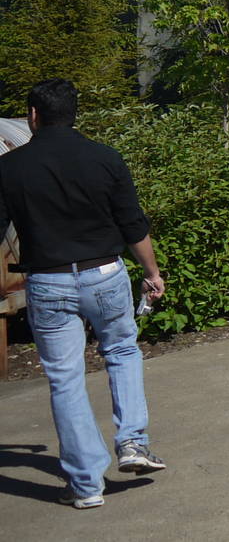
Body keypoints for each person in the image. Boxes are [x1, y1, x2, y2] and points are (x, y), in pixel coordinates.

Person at [0, 79, 167, 509]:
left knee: (65, 379)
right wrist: (151, 272)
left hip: (47, 281)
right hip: (104, 274)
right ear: (74, 114)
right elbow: (133, 224)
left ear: (32, 116)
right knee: (123, 353)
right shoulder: (104, 158)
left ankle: (87, 486)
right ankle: (132, 442)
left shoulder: (9, 168)